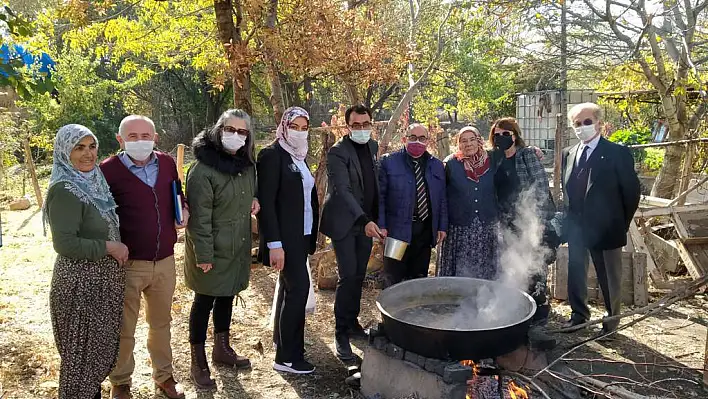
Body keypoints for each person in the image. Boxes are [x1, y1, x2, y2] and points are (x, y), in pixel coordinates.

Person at [101, 115, 187, 399]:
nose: (140, 141)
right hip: (128, 264)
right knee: (124, 327)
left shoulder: (166, 163)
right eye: (133, 136)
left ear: (156, 138)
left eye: (146, 136)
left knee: (161, 324)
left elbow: (178, 194)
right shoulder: (108, 170)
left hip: (164, 260)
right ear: (120, 139)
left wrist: (183, 210)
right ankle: (121, 381)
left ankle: (164, 376)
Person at [43, 124, 128, 399]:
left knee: (93, 362)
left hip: (101, 284)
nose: (88, 154)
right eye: (79, 147)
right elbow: (64, 243)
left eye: (92, 147)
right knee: (80, 364)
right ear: (64, 152)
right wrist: (110, 247)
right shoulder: (65, 189)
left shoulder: (93, 180)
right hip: (80, 286)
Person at [184, 109, 259, 388]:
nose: (236, 136)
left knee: (227, 295)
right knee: (203, 302)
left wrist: (255, 200)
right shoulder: (202, 170)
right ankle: (198, 358)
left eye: (242, 132)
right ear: (219, 130)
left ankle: (221, 348)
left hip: (236, 246)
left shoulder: (246, 165)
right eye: (230, 129)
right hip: (210, 249)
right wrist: (204, 254)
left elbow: (249, 192)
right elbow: (199, 218)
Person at [561, 102, 640, 334]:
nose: (582, 127)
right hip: (577, 227)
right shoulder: (569, 153)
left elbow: (631, 193)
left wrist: (620, 224)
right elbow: (568, 191)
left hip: (607, 228)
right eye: (577, 124)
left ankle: (610, 324)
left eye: (587, 122)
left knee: (609, 278)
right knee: (576, 273)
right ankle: (579, 316)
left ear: (599, 124)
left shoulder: (617, 153)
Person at [257, 106, 319, 374]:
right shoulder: (272, 156)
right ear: (284, 126)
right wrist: (274, 244)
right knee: (298, 291)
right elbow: (268, 204)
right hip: (285, 239)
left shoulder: (300, 156)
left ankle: (288, 346)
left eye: (305, 128)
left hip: (302, 235)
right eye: (295, 127)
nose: (300, 133)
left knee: (288, 290)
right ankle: (286, 358)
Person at [320, 104, 383, 362]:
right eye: (355, 125)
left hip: (365, 222)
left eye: (365, 124)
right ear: (348, 127)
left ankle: (353, 322)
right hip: (345, 222)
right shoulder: (337, 152)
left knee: (359, 275)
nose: (361, 129)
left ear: (371, 124)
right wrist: (365, 219)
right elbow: (343, 191)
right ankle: (340, 331)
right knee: (347, 276)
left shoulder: (373, 147)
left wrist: (377, 218)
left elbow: (373, 184)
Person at [489, 117, 558, 324]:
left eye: (506, 134)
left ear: (515, 135)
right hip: (507, 223)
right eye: (497, 135)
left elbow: (541, 187)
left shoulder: (527, 155)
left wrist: (539, 221)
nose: (501, 138)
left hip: (531, 221)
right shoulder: (495, 159)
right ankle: (518, 311)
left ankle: (539, 315)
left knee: (534, 268)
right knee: (513, 267)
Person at [378, 123, 447, 285]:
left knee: (419, 279)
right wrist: (381, 224)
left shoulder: (436, 165)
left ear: (428, 141)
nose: (418, 142)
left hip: (424, 231)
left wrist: (442, 226)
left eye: (422, 138)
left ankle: (415, 310)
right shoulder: (389, 162)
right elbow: (380, 197)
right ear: (404, 139)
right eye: (413, 138)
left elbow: (442, 197)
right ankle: (391, 310)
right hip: (396, 231)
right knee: (393, 278)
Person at [437, 126, 498, 279]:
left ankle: (483, 301)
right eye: (463, 141)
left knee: (484, 269)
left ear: (479, 141)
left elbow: (514, 153)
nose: (468, 144)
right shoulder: (450, 164)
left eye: (472, 139)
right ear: (458, 144)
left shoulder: (493, 160)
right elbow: (441, 197)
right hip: (458, 229)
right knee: (459, 271)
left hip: (486, 227)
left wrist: (531, 149)